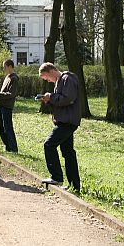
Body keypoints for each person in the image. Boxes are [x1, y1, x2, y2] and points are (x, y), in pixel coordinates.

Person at [37, 62, 81, 192]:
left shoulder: (68, 78)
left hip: (68, 121)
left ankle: (56, 177)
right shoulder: (60, 81)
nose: (48, 81)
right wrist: (48, 100)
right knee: (68, 152)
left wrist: (51, 97)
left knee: (49, 144)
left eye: (46, 78)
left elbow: (68, 99)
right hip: (65, 120)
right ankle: (74, 185)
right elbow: (61, 102)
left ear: (51, 71)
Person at [0, 59, 19, 153]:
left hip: (7, 106)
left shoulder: (14, 78)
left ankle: (13, 148)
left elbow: (11, 94)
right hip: (1, 105)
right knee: (1, 127)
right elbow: (3, 92)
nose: (4, 69)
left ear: (10, 66)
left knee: (8, 127)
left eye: (5, 67)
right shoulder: (7, 77)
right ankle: (7, 146)